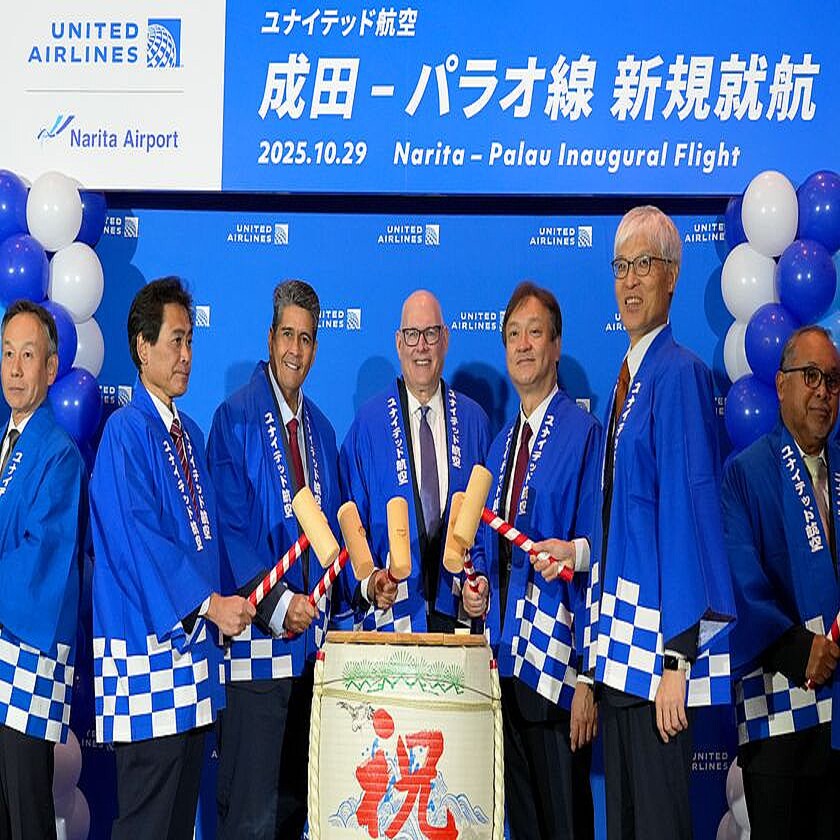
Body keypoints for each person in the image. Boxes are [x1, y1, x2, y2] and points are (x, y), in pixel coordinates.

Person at [582, 206, 735, 839]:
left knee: (658, 827)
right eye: (620, 266)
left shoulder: (680, 373)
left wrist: (678, 660)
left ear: (671, 276)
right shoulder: (628, 380)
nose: (629, 280)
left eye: (643, 264)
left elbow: (689, 515)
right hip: (618, 653)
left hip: (655, 659)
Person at [90, 277, 255, 839]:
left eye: (190, 341)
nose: (186, 355)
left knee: (179, 824)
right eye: (176, 340)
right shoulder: (124, 433)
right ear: (143, 347)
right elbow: (140, 541)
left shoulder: (189, 432)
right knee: (147, 825)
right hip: (146, 665)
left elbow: (208, 542)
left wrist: (256, 601)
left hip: (192, 665)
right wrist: (209, 604)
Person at [207, 280, 341, 838]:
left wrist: (345, 591)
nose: (295, 350)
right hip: (257, 654)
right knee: (250, 818)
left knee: (292, 814)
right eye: (287, 335)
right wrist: (281, 603)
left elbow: (334, 537)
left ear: (315, 348)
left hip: (311, 660)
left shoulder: (322, 431)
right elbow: (230, 530)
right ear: (269, 338)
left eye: (306, 339)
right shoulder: (234, 419)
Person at [471, 282, 598, 839]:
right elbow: (488, 548)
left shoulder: (583, 433)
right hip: (506, 664)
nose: (523, 345)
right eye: (514, 335)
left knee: (564, 821)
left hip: (559, 664)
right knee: (523, 824)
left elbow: (603, 552)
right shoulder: (500, 445)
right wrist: (475, 587)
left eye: (535, 333)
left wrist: (589, 676)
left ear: (556, 345)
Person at [722, 325, 840, 839]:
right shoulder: (746, 473)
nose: (823, 391)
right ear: (780, 383)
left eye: (832, 380)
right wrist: (797, 648)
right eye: (810, 376)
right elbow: (739, 583)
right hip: (777, 717)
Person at [340, 289, 490, 632]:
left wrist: (480, 579)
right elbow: (350, 522)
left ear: (445, 339)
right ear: (398, 342)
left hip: (458, 620)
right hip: (391, 623)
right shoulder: (369, 425)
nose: (421, 346)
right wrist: (370, 582)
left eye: (431, 334)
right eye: (412, 334)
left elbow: (487, 524)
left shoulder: (474, 423)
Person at [0, 300, 85, 839]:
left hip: (26, 662)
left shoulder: (59, 454)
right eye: (7, 353)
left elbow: (41, 559)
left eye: (27, 355)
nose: (14, 368)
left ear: (51, 368)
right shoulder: (5, 445)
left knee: (27, 814)